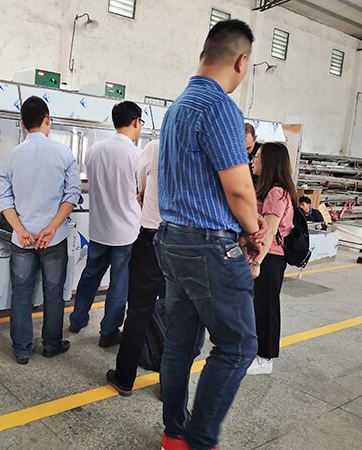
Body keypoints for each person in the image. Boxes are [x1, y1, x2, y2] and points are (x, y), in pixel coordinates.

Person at [153, 20, 267, 450]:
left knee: (180, 344)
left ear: (203, 54)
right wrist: (254, 230)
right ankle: (200, 442)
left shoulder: (177, 108)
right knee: (238, 346)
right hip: (207, 246)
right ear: (241, 61)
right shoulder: (220, 107)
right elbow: (238, 188)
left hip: (171, 240)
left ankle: (174, 434)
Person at [0, 96, 81, 365]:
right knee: (54, 293)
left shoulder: (11, 157)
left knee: (21, 293)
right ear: (48, 120)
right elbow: (72, 195)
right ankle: (52, 344)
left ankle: (22, 349)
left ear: (23, 125)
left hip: (22, 240)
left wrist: (21, 230)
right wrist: (52, 227)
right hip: (53, 239)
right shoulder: (64, 154)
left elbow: (4, 200)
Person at [68, 101, 142, 348]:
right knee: (119, 284)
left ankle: (77, 320)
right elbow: (141, 192)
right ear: (135, 121)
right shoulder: (135, 155)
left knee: (90, 275)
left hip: (99, 227)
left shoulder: (94, 150)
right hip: (126, 232)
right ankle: (108, 332)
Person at [105, 139, 167, 396]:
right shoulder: (205, 148)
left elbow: (141, 188)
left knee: (139, 312)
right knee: (179, 316)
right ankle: (171, 386)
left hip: (151, 239)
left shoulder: (155, 146)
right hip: (186, 245)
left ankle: (125, 378)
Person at [247, 142, 296, 375]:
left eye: (257, 156)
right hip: (264, 256)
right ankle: (255, 352)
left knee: (266, 307)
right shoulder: (267, 188)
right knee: (257, 305)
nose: (253, 160)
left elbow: (269, 231)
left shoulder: (276, 192)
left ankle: (265, 358)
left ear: (269, 162)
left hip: (270, 258)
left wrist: (257, 262)